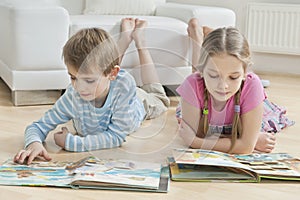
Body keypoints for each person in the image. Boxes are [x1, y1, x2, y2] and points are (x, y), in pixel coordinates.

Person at [14, 18, 170, 164]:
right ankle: (125, 38)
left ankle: (140, 41)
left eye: (89, 81)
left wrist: (72, 143)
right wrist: (33, 143)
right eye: (73, 78)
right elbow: (37, 126)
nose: (79, 87)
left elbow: (116, 136)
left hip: (139, 102)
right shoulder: (73, 95)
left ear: (113, 74)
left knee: (159, 98)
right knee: (102, 67)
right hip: (108, 83)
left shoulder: (123, 88)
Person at [176, 18, 294, 154]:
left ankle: (212, 40)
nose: (223, 86)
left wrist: (196, 142)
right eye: (214, 76)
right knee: (196, 77)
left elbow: (245, 147)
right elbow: (243, 144)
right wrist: (248, 140)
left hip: (238, 97)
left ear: (245, 73)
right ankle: (197, 36)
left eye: (233, 77)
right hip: (202, 87)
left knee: (209, 72)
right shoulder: (193, 84)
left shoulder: (251, 85)